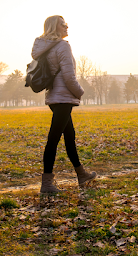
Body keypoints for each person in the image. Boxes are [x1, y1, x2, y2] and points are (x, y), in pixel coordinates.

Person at [31, 15, 96, 193]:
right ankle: (46, 184)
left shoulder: (45, 47)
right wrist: (80, 92)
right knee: (54, 139)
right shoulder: (62, 46)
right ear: (55, 27)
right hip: (63, 97)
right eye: (63, 24)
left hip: (54, 96)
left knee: (69, 136)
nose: (67, 27)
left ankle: (81, 174)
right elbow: (69, 76)